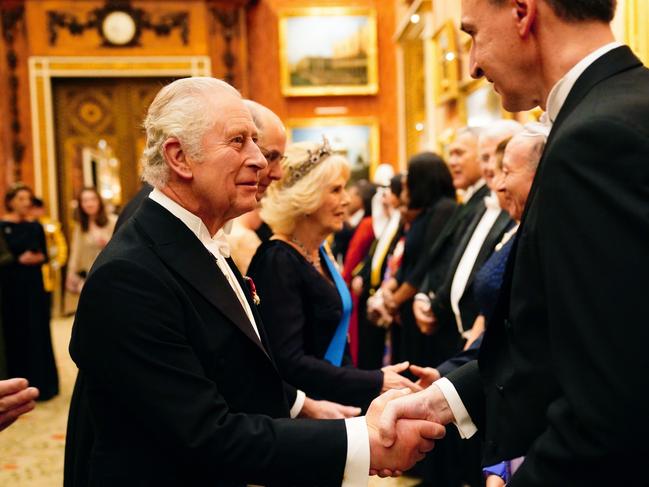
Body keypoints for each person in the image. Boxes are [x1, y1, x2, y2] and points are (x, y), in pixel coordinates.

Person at [65, 77, 444, 487]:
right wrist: (361, 442)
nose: (261, 162)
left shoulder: (200, 237)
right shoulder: (130, 276)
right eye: (238, 142)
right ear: (179, 158)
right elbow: (205, 434)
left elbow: (230, 365)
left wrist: (301, 406)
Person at [380, 1, 649, 485]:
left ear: (523, 13)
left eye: (473, 36)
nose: (472, 64)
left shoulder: (596, 138)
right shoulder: (614, 109)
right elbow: (548, 339)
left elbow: (613, 399)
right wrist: (444, 400)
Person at [248, 139, 421, 412]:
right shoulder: (276, 260)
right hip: (307, 418)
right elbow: (289, 361)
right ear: (307, 197)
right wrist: (373, 381)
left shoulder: (319, 252)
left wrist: (367, 380)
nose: (347, 200)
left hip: (336, 402)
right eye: (336, 190)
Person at [0, 184, 59, 400]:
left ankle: (42, 384)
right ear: (11, 201)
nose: (26, 203)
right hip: (10, 288)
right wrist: (17, 260)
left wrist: (36, 258)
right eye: (21, 198)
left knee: (37, 330)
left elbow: (45, 253)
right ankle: (16, 385)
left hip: (34, 286)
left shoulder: (36, 227)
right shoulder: (2, 226)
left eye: (28, 198)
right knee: (14, 331)